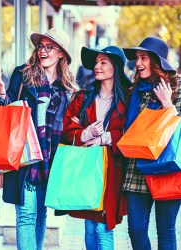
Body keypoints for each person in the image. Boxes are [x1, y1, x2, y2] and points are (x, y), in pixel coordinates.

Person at [0, 27, 78, 250]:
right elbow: (5, 112)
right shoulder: (23, 75)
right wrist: (0, 90)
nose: (43, 51)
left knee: (41, 214)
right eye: (40, 47)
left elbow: (69, 124)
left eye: (49, 47)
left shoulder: (67, 86)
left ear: (61, 53)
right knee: (26, 215)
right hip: (25, 157)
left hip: (52, 160)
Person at [59, 45, 131, 249]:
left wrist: (106, 138)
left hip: (112, 172)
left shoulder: (127, 99)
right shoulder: (83, 97)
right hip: (86, 168)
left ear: (115, 67)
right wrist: (85, 133)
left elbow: (132, 133)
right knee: (90, 226)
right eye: (96, 62)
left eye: (103, 62)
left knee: (103, 227)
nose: (97, 66)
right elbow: (67, 129)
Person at [122, 36, 181, 250]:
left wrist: (167, 103)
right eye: (137, 58)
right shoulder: (134, 90)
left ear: (156, 61)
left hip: (167, 167)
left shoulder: (177, 87)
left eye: (143, 57)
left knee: (165, 231)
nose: (138, 63)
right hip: (137, 167)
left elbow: (178, 127)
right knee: (136, 229)